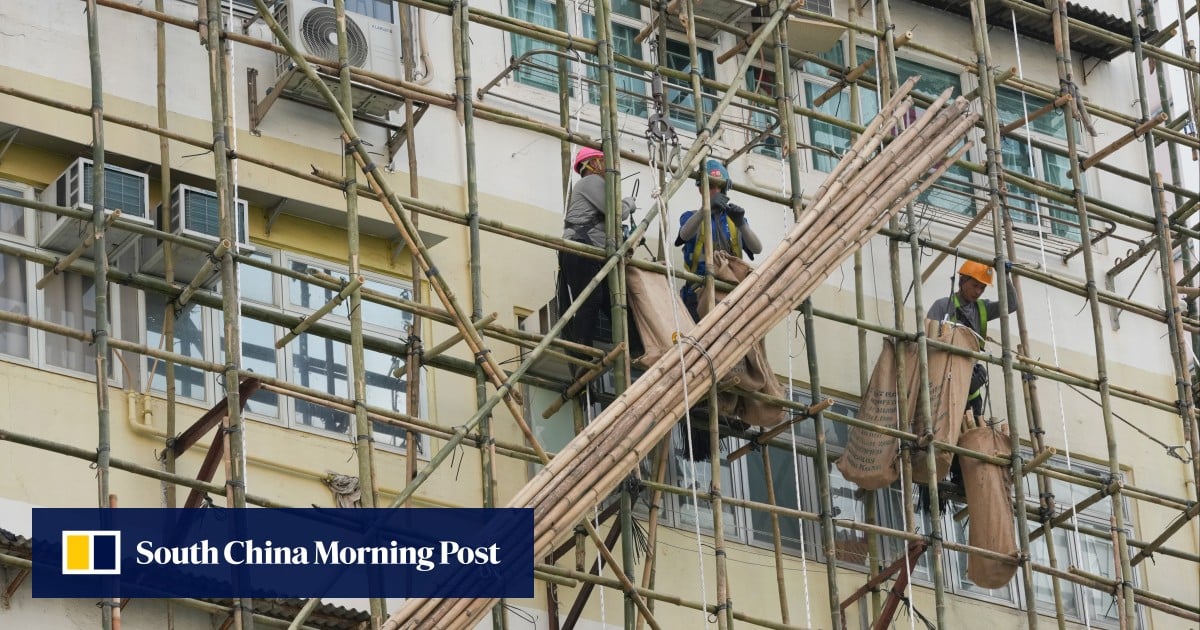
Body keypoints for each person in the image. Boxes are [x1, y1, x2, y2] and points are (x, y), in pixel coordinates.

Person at [556, 147, 634, 354]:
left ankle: (635, 348)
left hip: (592, 253)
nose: (607, 165)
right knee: (590, 300)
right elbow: (617, 212)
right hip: (581, 249)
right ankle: (583, 352)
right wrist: (629, 203)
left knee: (615, 303)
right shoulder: (591, 182)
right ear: (592, 163)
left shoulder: (593, 186)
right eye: (602, 160)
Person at [926, 260, 1018, 420]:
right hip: (942, 379)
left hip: (970, 382)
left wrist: (1005, 276)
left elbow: (1011, 305)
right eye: (975, 285)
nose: (978, 292)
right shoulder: (943, 306)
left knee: (970, 429)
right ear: (962, 281)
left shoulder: (982, 309)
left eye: (982, 288)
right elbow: (928, 343)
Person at [674, 159, 762, 321]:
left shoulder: (732, 221)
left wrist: (741, 223)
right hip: (699, 292)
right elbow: (683, 235)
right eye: (711, 186)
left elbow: (757, 248)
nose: (716, 191)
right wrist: (705, 210)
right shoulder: (691, 216)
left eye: (720, 187)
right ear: (701, 189)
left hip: (731, 293)